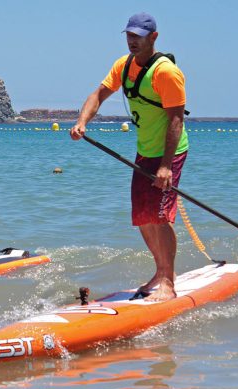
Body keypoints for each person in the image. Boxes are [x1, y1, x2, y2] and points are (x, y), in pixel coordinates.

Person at [70, 13, 189, 302]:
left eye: (138, 36)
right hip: (144, 151)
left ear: (154, 38)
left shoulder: (166, 73)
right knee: (143, 217)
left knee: (161, 216)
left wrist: (165, 167)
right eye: (129, 35)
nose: (132, 41)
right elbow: (98, 94)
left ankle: (169, 284)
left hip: (169, 153)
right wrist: (82, 121)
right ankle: (160, 271)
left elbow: (176, 121)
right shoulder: (122, 66)